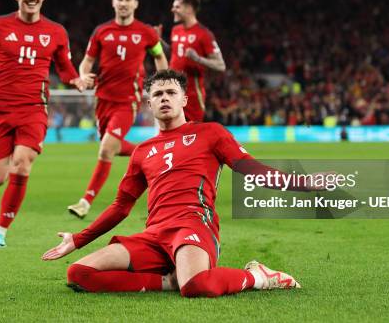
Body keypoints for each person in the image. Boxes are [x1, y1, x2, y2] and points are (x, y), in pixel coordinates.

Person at [43, 69, 322, 297]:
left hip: (193, 224)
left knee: (197, 286)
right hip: (154, 235)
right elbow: (121, 206)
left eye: (171, 93)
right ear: (149, 104)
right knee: (79, 274)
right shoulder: (142, 151)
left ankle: (258, 276)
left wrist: (304, 183)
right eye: (158, 94)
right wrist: (78, 240)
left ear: (184, 100)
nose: (165, 98)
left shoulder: (210, 133)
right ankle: (167, 281)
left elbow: (252, 170)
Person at [0, 0, 86, 247]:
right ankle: (9, 163)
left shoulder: (56, 32)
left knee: (22, 165)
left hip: (34, 109)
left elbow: (65, 68)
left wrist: (76, 80)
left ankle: (0, 230)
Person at [67, 0, 168, 218]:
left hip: (127, 101)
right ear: (113, 3)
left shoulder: (145, 32)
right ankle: (154, 152)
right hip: (102, 100)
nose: (123, 3)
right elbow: (87, 62)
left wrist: (161, 82)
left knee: (106, 148)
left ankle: (85, 201)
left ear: (135, 4)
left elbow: (159, 56)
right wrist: (82, 75)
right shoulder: (101, 31)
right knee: (110, 148)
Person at [158, 0, 226, 122]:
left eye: (177, 7)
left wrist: (197, 59)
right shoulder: (175, 30)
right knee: (171, 134)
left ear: (189, 9)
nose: (173, 10)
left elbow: (220, 65)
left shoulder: (204, 34)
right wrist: (158, 41)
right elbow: (174, 54)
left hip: (192, 94)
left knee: (192, 135)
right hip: (172, 90)